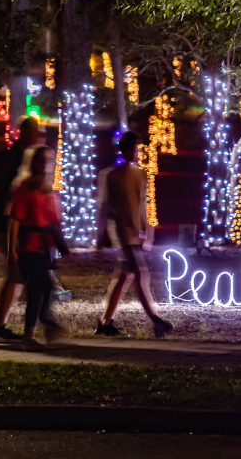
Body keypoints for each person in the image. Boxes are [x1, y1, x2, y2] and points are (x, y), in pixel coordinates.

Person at [95, 131, 173, 338]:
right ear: (121, 150)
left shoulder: (140, 174)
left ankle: (105, 322)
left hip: (134, 233)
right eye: (130, 148)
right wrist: (99, 235)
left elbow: (143, 206)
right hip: (121, 232)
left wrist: (148, 232)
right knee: (140, 273)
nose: (134, 153)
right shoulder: (110, 175)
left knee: (122, 277)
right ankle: (156, 321)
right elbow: (103, 207)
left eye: (136, 149)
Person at [8, 145, 69, 351]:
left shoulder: (48, 188)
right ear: (33, 162)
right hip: (29, 246)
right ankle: (34, 331)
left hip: (45, 247)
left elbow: (54, 220)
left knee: (45, 288)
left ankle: (39, 328)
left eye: (47, 160)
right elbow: (15, 221)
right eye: (40, 160)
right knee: (40, 287)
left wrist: (60, 245)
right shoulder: (25, 188)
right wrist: (12, 252)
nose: (44, 164)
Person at [0, 117, 40, 341]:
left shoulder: (29, 161)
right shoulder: (7, 160)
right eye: (34, 132)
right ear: (24, 134)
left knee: (17, 275)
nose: (37, 137)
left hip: (18, 226)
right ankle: (0, 327)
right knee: (17, 272)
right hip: (3, 224)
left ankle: (0, 325)